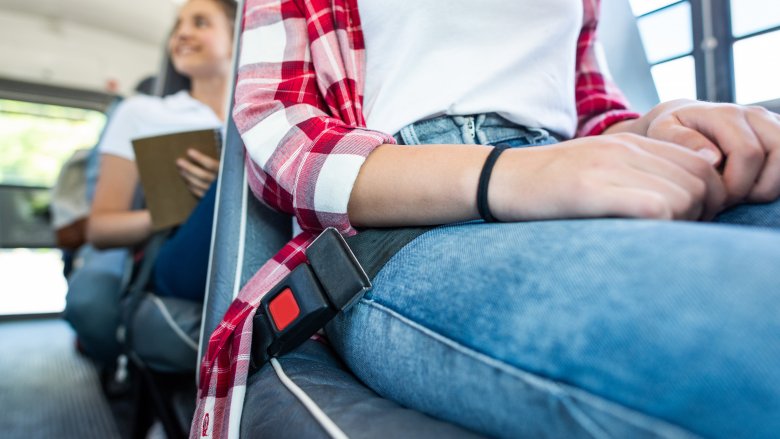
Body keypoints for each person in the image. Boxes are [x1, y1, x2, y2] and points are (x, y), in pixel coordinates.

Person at [194, 1, 780, 438]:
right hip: (408, 219)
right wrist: (509, 176)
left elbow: (595, 114)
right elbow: (284, 145)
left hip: (561, 172)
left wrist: (666, 122)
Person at [65, 0, 236, 363]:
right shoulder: (142, 113)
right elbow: (101, 228)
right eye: (178, 26)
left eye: (200, 22)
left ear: (238, 38)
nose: (182, 34)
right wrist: (192, 207)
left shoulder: (252, 119)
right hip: (174, 256)